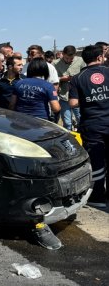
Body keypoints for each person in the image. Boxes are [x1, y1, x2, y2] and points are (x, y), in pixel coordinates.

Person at [69, 44, 109, 209]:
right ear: (100, 57)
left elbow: (72, 103)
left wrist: (89, 98)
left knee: (97, 161)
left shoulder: (78, 78)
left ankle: (97, 197)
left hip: (92, 125)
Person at [54, 45, 85, 131]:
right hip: (64, 96)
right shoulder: (55, 63)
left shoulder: (81, 61)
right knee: (67, 122)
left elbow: (85, 75)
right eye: (66, 58)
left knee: (80, 119)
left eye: (71, 59)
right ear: (62, 54)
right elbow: (53, 79)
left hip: (78, 96)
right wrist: (62, 79)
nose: (69, 60)